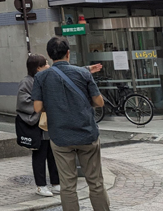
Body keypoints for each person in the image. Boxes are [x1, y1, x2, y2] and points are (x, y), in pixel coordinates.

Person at [32, 36, 109, 211]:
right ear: (68, 53)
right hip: (87, 134)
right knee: (95, 182)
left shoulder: (41, 77)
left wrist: (53, 105)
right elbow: (99, 102)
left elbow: (37, 107)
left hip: (60, 137)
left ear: (49, 55)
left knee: (67, 185)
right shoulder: (83, 73)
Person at [17, 54, 59, 197]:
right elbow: (24, 101)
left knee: (52, 154)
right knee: (40, 155)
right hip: (38, 125)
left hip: (49, 123)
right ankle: (41, 186)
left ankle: (56, 183)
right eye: (46, 63)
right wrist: (43, 103)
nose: (48, 65)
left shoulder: (46, 78)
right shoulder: (27, 82)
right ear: (38, 68)